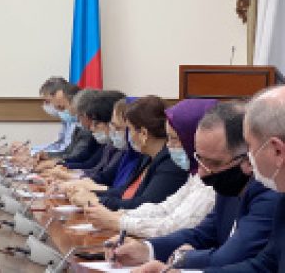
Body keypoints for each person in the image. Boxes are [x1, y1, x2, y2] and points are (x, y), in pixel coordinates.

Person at [107, 102, 280, 271]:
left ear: (248, 158)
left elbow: (232, 257)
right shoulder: (229, 185)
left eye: (213, 163)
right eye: (199, 159)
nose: (202, 173)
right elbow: (202, 234)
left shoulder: (271, 191)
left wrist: (183, 258)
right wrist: (146, 249)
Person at [85, 99, 217, 237]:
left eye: (173, 138)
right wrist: (119, 215)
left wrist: (118, 221)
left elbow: (176, 225)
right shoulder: (195, 174)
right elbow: (164, 208)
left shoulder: (207, 178)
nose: (168, 144)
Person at [199, 87, 285, 273]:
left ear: (277, 150)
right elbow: (265, 265)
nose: (247, 164)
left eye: (250, 147)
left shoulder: (273, 196)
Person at [71, 96, 189, 209]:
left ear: (143, 134)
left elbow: (145, 205)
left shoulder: (170, 163)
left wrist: (96, 201)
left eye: (130, 129)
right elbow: (125, 191)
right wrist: (91, 193)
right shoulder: (147, 157)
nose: (129, 135)